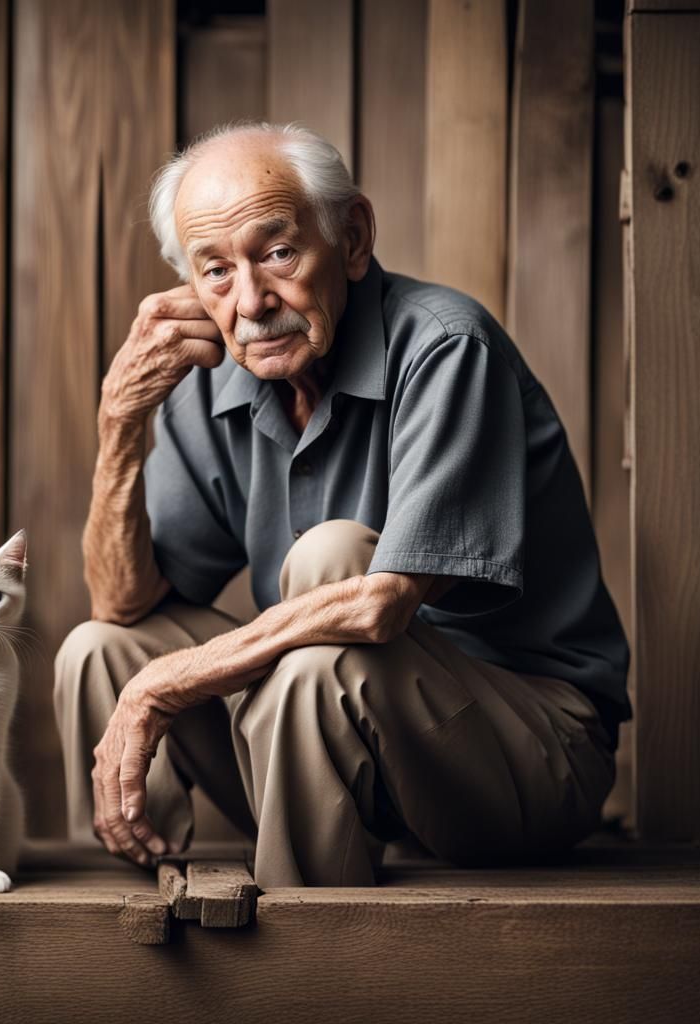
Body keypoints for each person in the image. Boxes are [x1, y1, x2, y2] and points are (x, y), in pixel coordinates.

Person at [53, 122, 632, 887]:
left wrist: (164, 683)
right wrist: (120, 426)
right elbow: (121, 603)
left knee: (328, 575)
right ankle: (146, 915)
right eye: (215, 271)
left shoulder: (446, 347)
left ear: (352, 239)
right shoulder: (211, 383)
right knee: (98, 650)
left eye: (279, 253)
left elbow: (380, 608)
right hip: (334, 744)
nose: (252, 302)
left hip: (525, 753)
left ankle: (306, 948)